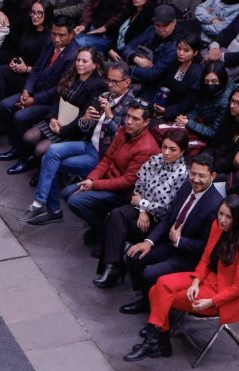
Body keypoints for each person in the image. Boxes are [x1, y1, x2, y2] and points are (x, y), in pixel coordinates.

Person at [124, 194, 239, 361]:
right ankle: (158, 342)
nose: (222, 219)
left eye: (228, 217)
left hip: (221, 294)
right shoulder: (217, 226)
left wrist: (211, 301)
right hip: (205, 278)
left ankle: (156, 342)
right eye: (220, 214)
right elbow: (205, 259)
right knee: (160, 284)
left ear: (238, 219)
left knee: (158, 293)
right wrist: (195, 282)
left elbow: (238, 288)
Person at [20, 100, 158, 238]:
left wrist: (94, 184)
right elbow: (107, 159)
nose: (128, 121)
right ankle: (45, 206)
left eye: (135, 119)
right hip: (106, 177)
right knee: (67, 191)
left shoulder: (146, 148)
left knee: (76, 201)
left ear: (146, 122)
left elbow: (127, 182)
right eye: (128, 116)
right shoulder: (124, 131)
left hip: (122, 193)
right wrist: (91, 179)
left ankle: (105, 231)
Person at [19, 62, 135, 226]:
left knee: (49, 162)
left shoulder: (132, 106)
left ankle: (50, 209)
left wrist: (109, 117)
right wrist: (86, 119)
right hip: (89, 144)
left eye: (115, 81)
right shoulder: (105, 95)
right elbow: (85, 127)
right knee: (51, 152)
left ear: (127, 82)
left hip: (102, 156)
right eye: (109, 80)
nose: (110, 85)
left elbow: (125, 138)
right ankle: (41, 204)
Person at [120, 153, 223, 313]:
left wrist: (180, 240)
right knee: (134, 256)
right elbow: (169, 217)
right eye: (193, 173)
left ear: (213, 176)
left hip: (189, 256)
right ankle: (147, 300)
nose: (195, 179)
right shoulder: (187, 186)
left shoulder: (215, 205)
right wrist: (149, 242)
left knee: (150, 273)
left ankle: (157, 311)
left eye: (201, 176)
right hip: (170, 244)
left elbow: (206, 246)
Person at [92, 129, 189, 287]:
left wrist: (142, 205)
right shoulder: (155, 160)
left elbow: (167, 208)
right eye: (164, 147)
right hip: (142, 210)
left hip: (159, 221)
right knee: (117, 215)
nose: (166, 152)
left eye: (172, 149)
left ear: (182, 151)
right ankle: (112, 267)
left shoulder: (183, 175)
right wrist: (143, 210)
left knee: (116, 221)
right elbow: (139, 185)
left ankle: (114, 266)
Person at [5, 47, 107, 175]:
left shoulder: (98, 86)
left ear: (95, 64)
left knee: (40, 149)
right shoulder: (72, 74)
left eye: (85, 61)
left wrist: (62, 130)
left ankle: (40, 169)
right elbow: (57, 98)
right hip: (57, 119)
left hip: (73, 129)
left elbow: (84, 116)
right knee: (28, 137)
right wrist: (52, 117)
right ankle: (28, 160)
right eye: (78, 60)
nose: (80, 64)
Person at [0, 16, 79, 159]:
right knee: (5, 105)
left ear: (72, 34)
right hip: (35, 91)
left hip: (50, 102)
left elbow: (59, 88)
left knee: (20, 116)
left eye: (61, 35)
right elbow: (37, 67)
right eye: (54, 33)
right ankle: (15, 145)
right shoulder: (50, 43)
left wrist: (34, 99)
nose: (56, 39)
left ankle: (24, 153)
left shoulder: (73, 56)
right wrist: (27, 90)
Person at [0, 0, 54, 132]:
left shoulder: (49, 38)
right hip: (19, 68)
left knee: (0, 74)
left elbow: (44, 68)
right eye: (33, 12)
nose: (35, 16)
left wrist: (26, 68)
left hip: (31, 76)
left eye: (39, 13)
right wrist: (14, 61)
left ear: (47, 15)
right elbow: (20, 50)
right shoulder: (29, 29)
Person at [116, 5, 184, 90]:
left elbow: (152, 74)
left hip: (151, 84)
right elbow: (127, 47)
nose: (161, 29)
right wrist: (136, 58)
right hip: (134, 69)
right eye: (158, 25)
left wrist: (125, 69)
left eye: (165, 26)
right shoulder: (152, 30)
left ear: (174, 23)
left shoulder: (176, 45)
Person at [172, 61, 234, 143]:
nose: (210, 84)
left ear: (222, 80)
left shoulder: (225, 102)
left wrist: (188, 123)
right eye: (207, 81)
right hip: (201, 123)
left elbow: (213, 132)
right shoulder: (204, 87)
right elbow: (198, 108)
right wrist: (186, 118)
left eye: (214, 81)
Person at [147, 31, 204, 121]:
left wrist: (167, 111)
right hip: (160, 103)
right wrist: (156, 101)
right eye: (179, 48)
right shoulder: (175, 62)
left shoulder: (197, 74)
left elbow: (188, 102)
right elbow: (163, 83)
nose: (181, 53)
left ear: (195, 52)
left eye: (186, 50)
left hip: (176, 114)